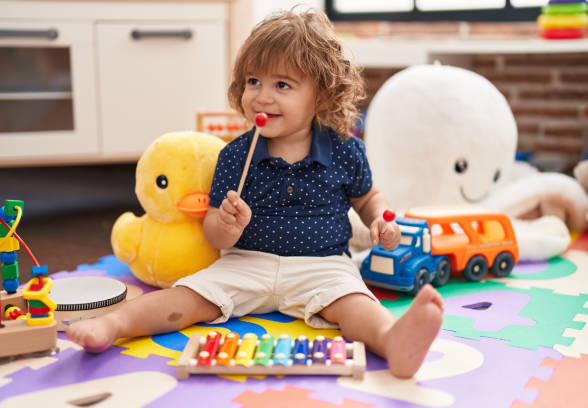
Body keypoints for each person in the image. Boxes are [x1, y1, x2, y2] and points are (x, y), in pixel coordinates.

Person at [67, 7, 443, 379]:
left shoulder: (345, 149)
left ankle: (394, 341)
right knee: (185, 297)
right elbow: (212, 230)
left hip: (324, 265)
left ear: (322, 96)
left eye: (282, 85)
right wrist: (226, 226)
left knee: (355, 304)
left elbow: (367, 198)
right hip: (244, 262)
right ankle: (114, 324)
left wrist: (379, 218)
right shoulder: (234, 155)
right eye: (253, 81)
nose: (262, 97)